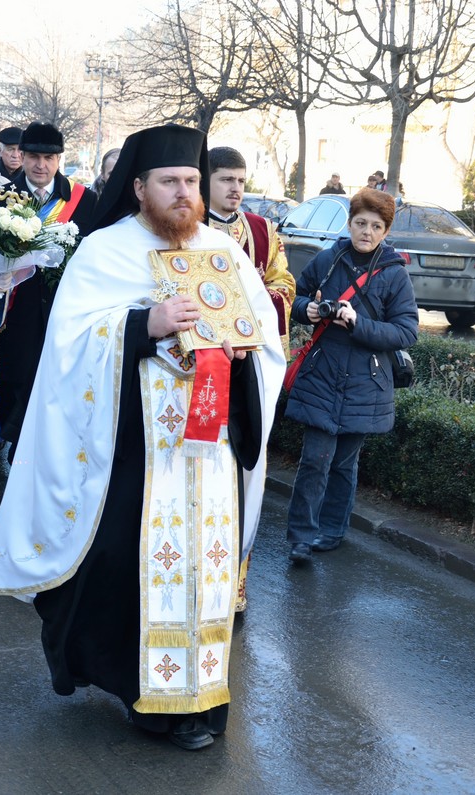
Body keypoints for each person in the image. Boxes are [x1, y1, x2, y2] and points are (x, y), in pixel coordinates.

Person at [0, 123, 285, 751]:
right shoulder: (106, 250)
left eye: (192, 182)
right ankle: (148, 699)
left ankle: (201, 699)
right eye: (169, 181)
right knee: (129, 569)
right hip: (133, 455)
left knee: (208, 572)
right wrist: (145, 323)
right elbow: (69, 345)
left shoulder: (222, 256)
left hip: (210, 452)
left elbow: (265, 346)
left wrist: (243, 348)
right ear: (139, 187)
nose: (183, 193)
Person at [285, 188, 418, 563]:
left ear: (386, 231)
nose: (367, 232)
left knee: (343, 463)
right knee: (314, 459)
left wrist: (359, 323)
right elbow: (293, 295)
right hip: (323, 373)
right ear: (350, 223)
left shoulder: (394, 274)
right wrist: (305, 309)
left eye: (376, 226)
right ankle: (301, 537)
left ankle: (331, 531)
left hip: (366, 380)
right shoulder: (328, 259)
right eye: (361, 223)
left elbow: (406, 332)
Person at [204, 145, 295, 611]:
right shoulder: (189, 228)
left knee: (245, 469)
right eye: (225, 180)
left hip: (250, 368)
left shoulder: (261, 231)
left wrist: (249, 308)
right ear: (206, 181)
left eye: (240, 180)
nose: (235, 189)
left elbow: (284, 286)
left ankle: (234, 583)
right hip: (199, 369)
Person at [0, 121, 98, 457]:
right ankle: (10, 443)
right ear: (21, 155)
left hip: (65, 306)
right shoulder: (2, 197)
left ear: (59, 160)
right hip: (16, 308)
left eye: (49, 158)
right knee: (16, 376)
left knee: (57, 379)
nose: (40, 165)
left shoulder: (85, 200)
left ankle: (48, 450)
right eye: (33, 156)